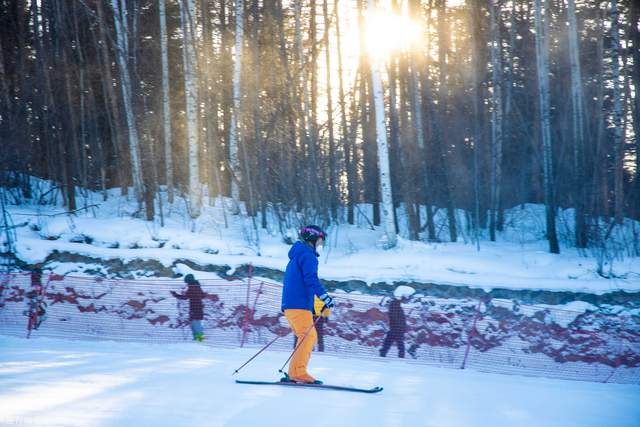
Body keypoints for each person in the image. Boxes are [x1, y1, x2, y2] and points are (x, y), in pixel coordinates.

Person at [281, 225, 335, 384]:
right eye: (320, 239)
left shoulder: (298, 255)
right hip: (298, 305)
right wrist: (325, 297)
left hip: (291, 304)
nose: (321, 243)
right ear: (313, 238)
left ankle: (294, 372)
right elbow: (311, 280)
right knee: (308, 336)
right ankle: (298, 373)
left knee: (305, 337)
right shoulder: (308, 256)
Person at [171, 274, 205, 342]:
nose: (186, 284)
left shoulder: (192, 287)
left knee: (195, 324)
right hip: (198, 307)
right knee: (196, 324)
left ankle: (200, 340)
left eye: (187, 282)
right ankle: (198, 339)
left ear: (189, 281)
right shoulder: (197, 286)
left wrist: (175, 295)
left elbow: (185, 297)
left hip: (195, 308)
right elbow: (203, 296)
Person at [380, 294, 408, 358]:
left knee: (391, 342)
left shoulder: (393, 307)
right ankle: (383, 353)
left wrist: (398, 327)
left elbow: (395, 318)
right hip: (397, 328)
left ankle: (383, 354)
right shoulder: (397, 307)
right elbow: (400, 318)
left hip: (396, 328)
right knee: (396, 343)